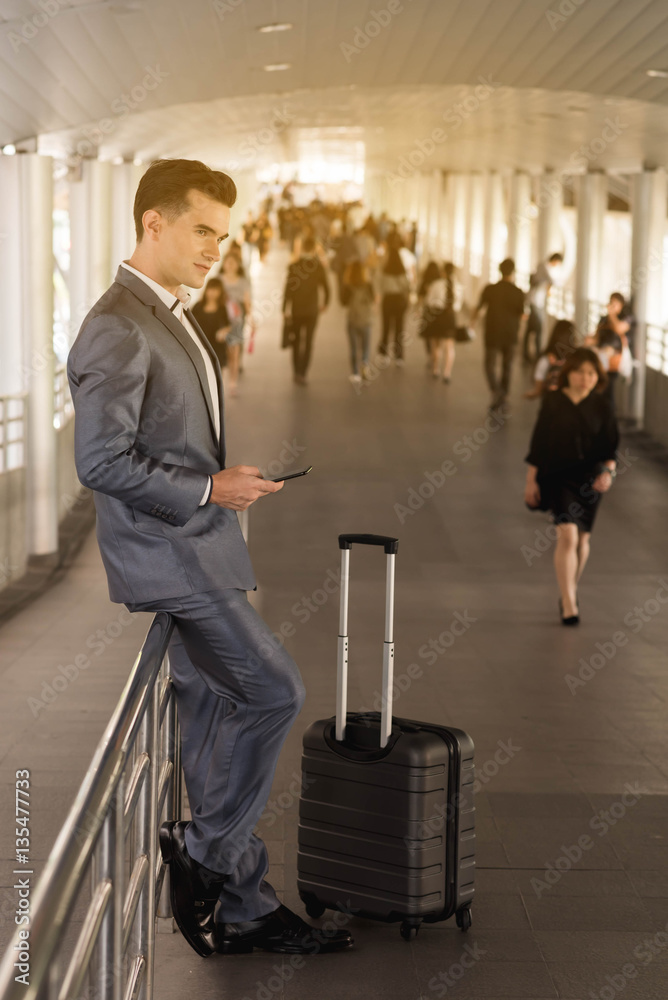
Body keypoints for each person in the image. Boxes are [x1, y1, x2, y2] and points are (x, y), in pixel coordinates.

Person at [66, 158, 352, 959]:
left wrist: (222, 485)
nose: (214, 250)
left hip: (199, 544)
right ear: (152, 223)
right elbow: (100, 460)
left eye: (222, 238)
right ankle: (204, 851)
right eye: (201, 230)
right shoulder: (116, 324)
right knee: (273, 691)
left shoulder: (167, 310)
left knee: (209, 721)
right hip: (174, 559)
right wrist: (205, 489)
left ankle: (244, 905)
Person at [524, 348, 619, 626]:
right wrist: (531, 480)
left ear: (597, 376)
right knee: (568, 535)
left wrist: (608, 473)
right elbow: (539, 443)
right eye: (580, 372)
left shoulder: (602, 406)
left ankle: (570, 589)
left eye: (591, 373)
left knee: (583, 540)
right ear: (569, 374)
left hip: (590, 478)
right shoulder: (553, 401)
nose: (585, 378)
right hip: (558, 475)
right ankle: (568, 604)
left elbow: (610, 445)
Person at [472, 258, 526, 411]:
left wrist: (472, 324)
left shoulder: (490, 289)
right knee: (507, 366)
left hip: (492, 332)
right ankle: (504, 395)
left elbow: (478, 308)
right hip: (510, 334)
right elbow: (522, 314)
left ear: (500, 271)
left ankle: (497, 392)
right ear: (513, 272)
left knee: (489, 364)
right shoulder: (518, 292)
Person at [282, 235, 330, 384]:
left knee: (296, 340)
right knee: (308, 341)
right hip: (312, 310)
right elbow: (327, 288)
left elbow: (288, 289)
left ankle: (296, 371)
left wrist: (284, 308)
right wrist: (325, 304)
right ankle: (303, 373)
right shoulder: (318, 267)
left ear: (302, 248)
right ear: (314, 249)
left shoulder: (294, 266)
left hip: (297, 309)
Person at [586, 292, 634, 405]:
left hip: (613, 361)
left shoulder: (626, 318)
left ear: (621, 305)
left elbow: (619, 329)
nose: (611, 306)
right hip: (600, 357)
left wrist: (612, 314)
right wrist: (590, 341)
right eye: (610, 302)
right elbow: (597, 338)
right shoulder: (603, 319)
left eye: (615, 303)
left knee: (607, 391)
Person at [418, 261, 458, 383]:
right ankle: (447, 373)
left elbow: (429, 301)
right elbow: (457, 305)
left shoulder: (436, 284)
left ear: (443, 272)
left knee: (436, 345)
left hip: (437, 316)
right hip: (450, 317)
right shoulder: (458, 286)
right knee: (449, 347)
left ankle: (435, 369)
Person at [220, 252, 251, 396]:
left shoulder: (243, 281)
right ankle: (222, 381)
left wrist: (251, 318)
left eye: (233, 262)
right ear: (223, 264)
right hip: (220, 320)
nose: (230, 265)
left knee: (235, 352)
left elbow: (247, 301)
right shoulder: (218, 280)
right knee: (223, 352)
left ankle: (233, 383)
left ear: (238, 265)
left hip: (237, 321)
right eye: (228, 262)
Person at [522, 253, 563, 362]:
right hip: (535, 301)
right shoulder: (544, 266)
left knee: (531, 328)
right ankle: (537, 353)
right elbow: (553, 280)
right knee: (538, 328)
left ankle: (527, 353)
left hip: (537, 301)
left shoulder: (544, 267)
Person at [341, 259, 376, 385]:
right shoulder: (368, 284)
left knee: (354, 347)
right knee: (365, 347)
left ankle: (355, 373)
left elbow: (343, 302)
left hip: (352, 319)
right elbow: (373, 299)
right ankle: (364, 366)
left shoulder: (347, 286)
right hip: (366, 319)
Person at [524, 319, 577, 399]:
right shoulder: (576, 358)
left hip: (550, 403)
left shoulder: (546, 358)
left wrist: (533, 394)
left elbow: (538, 388)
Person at [378, 246, 410, 365]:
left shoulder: (384, 270)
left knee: (386, 327)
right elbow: (407, 287)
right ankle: (399, 355)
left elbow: (380, 285)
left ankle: (383, 353)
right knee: (399, 328)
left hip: (388, 300)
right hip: (399, 300)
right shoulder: (402, 271)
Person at [191, 277, 230, 370]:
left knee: (218, 371)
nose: (212, 293)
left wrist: (223, 332)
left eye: (216, 290)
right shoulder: (198, 306)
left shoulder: (222, 308)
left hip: (217, 346)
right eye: (210, 289)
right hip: (200, 345)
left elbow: (227, 325)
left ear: (220, 292)